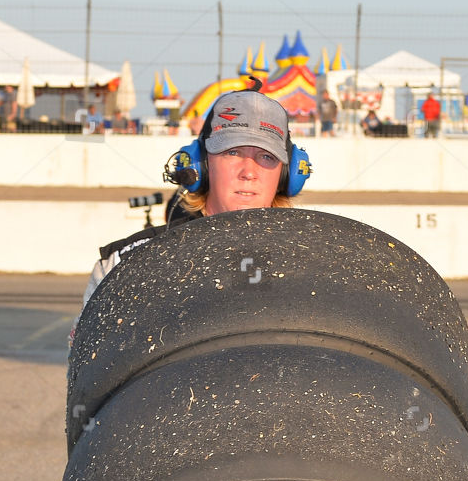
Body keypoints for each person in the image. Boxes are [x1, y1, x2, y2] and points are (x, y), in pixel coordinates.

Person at [80, 87, 303, 313]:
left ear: (286, 175)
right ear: (202, 165)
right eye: (233, 152)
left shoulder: (311, 261)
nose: (248, 172)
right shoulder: (125, 267)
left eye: (266, 156)